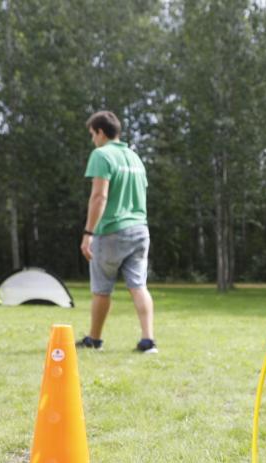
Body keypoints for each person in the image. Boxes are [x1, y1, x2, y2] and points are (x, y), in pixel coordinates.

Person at [76, 110, 157, 354]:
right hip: (140, 229)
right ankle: (148, 341)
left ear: (101, 132)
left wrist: (88, 232)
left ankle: (95, 339)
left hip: (111, 231)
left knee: (102, 289)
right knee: (138, 285)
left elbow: (99, 196)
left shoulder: (101, 155)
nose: (93, 140)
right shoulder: (134, 157)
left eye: (93, 134)